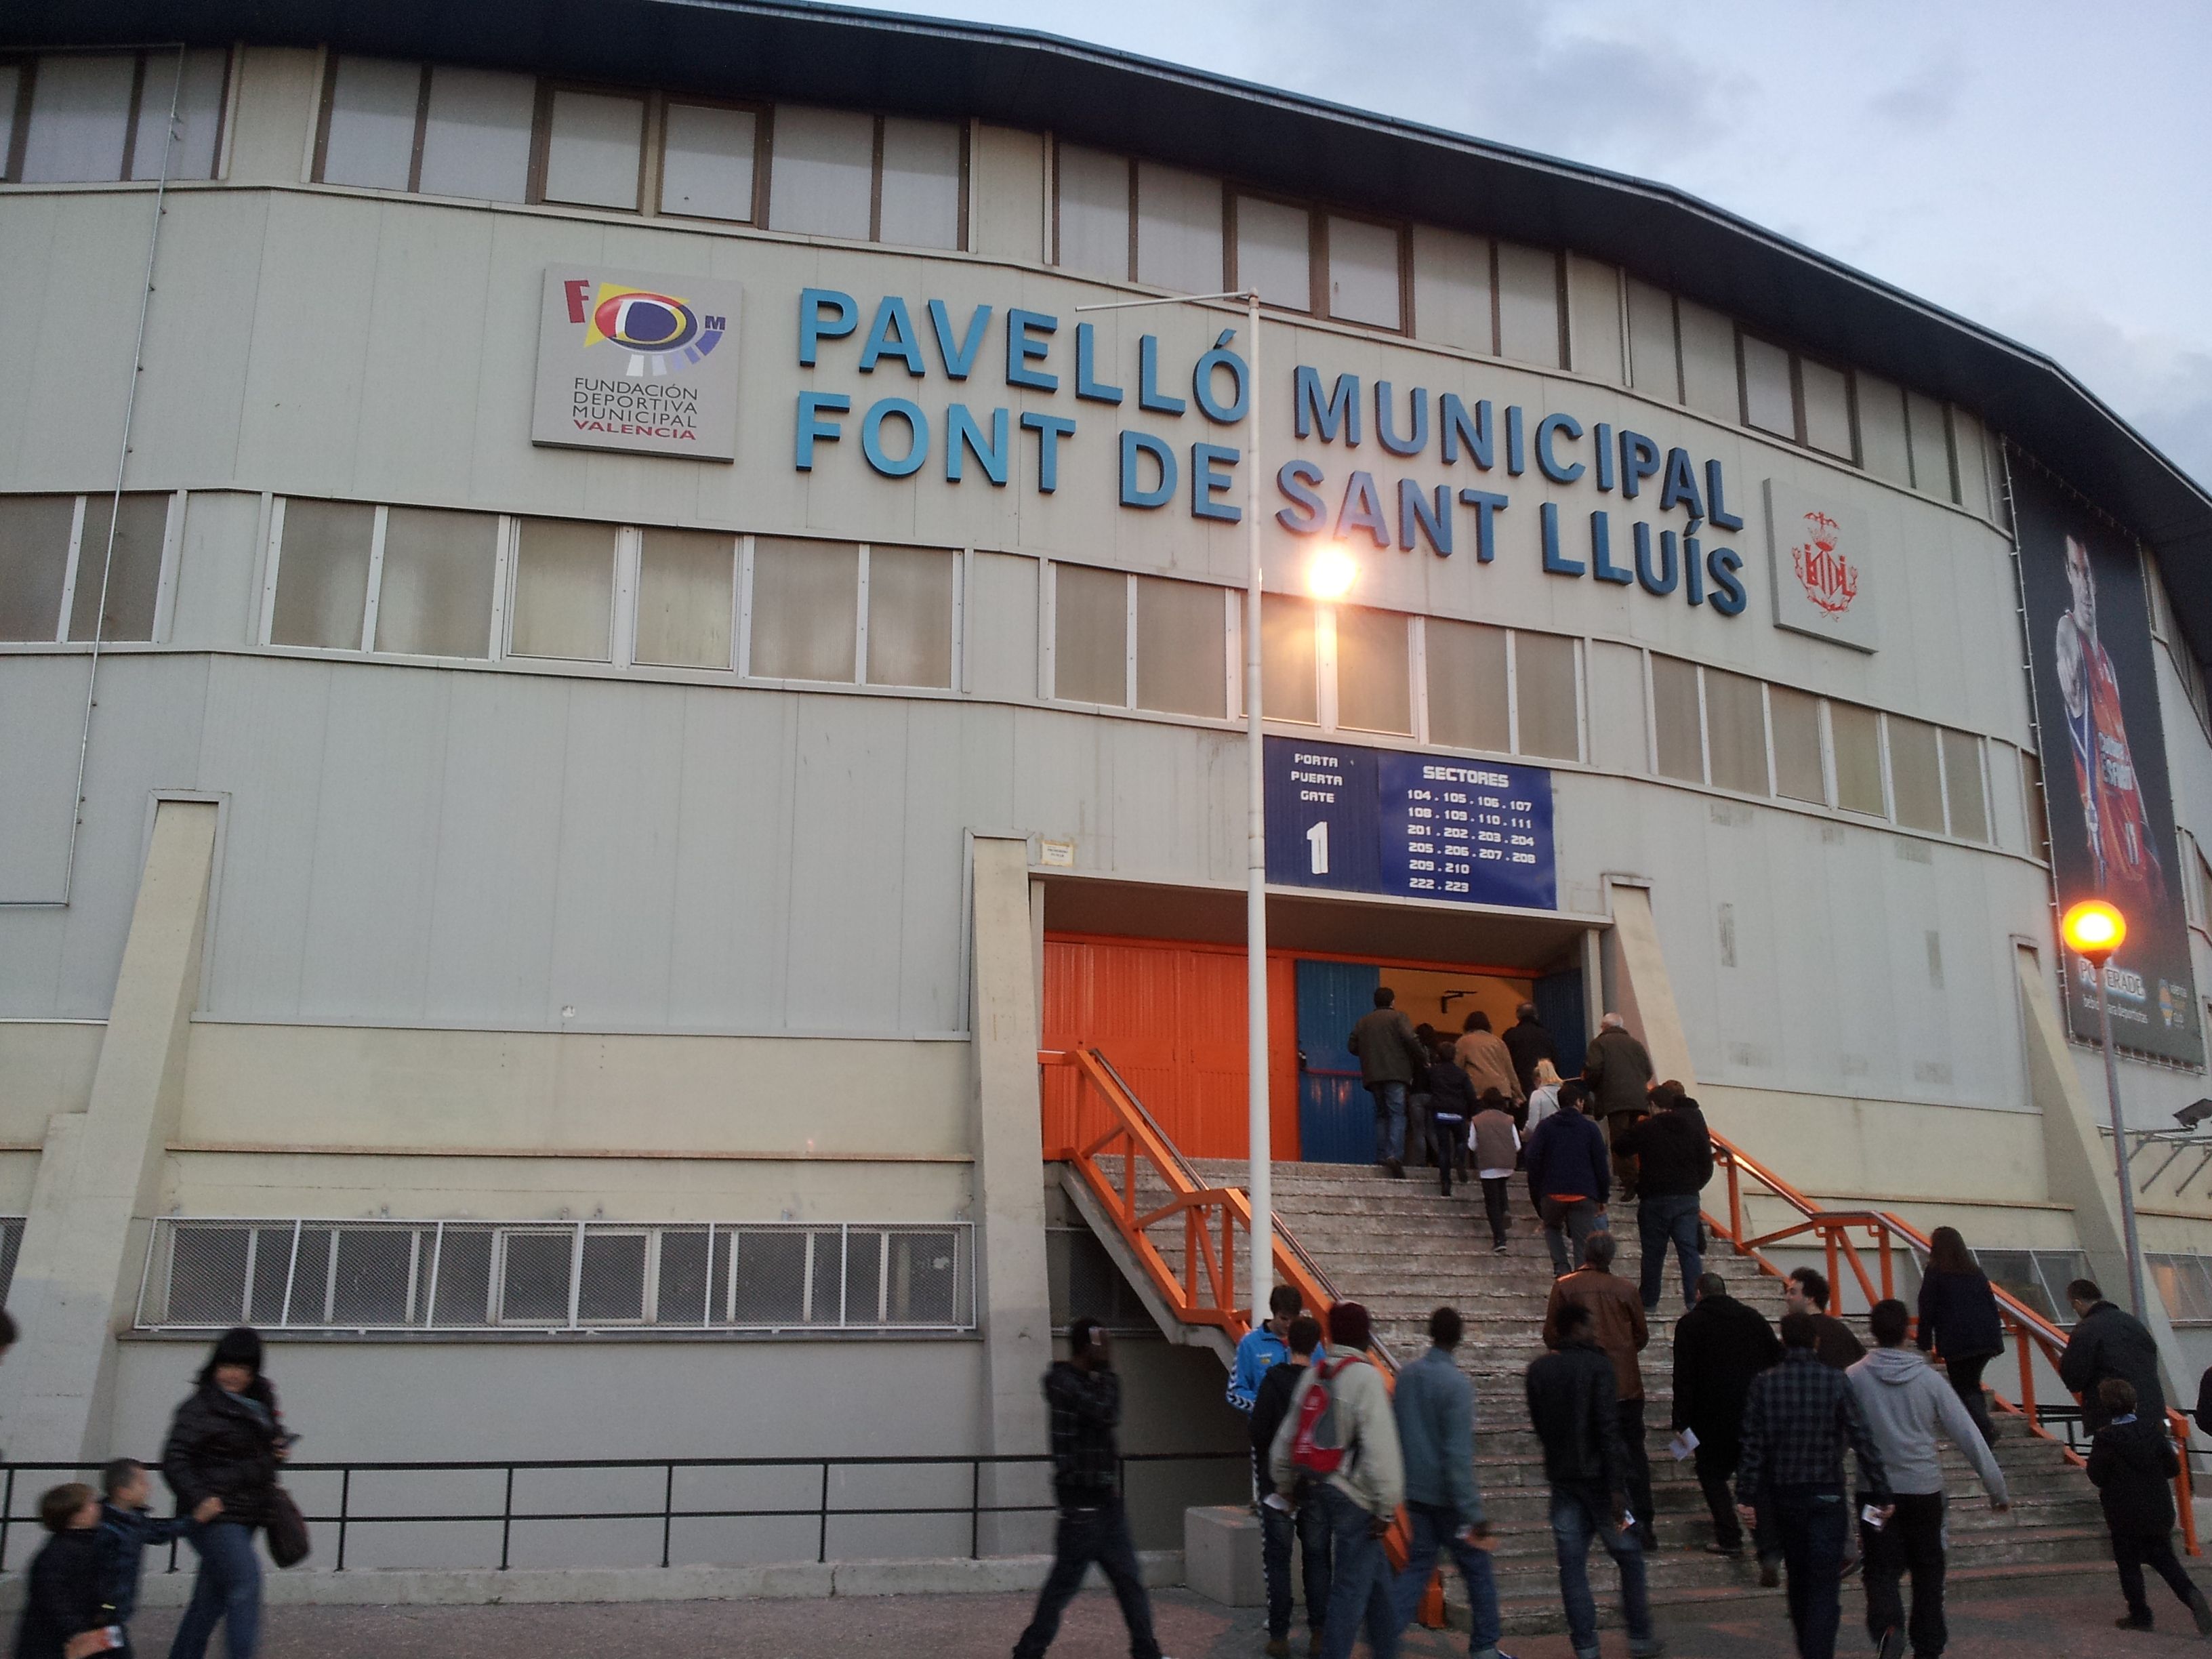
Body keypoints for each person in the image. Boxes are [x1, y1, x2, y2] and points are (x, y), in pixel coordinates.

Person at [1847, 1299, 2010, 1659]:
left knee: (1879, 1567)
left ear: (1873, 1331)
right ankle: (1929, 1644)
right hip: (1923, 1492)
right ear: (1907, 1332)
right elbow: (1967, 1433)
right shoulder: (1928, 1380)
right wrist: (1996, 1489)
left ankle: (1889, 1628)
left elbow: (1838, 1434)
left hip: (1874, 1495)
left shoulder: (1853, 1377)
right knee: (1928, 1570)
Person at [1737, 1312, 1893, 1659]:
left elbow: (1753, 1446)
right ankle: (1818, 1651)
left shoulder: (1764, 1383)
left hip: (1785, 1493)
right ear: (1816, 1342)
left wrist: (1746, 1494)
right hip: (1826, 1491)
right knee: (1825, 1583)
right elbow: (1862, 1438)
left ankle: (1807, 1645)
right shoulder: (1836, 1381)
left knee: (1798, 1576)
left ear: (1783, 1340)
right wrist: (1882, 1491)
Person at [1013, 1318, 1164, 1659]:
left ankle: (1147, 1651)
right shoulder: (1065, 1385)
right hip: (1081, 1510)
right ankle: (1028, 1651)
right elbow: (1107, 1411)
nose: (1108, 1349)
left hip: (1105, 1504)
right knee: (1062, 1588)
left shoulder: (1084, 1383)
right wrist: (1107, 1367)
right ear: (1088, 1346)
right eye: (1102, 1343)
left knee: (1128, 1582)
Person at [1524, 1300, 1666, 1659]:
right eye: (1589, 1325)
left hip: (1564, 1481)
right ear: (1577, 1327)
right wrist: (1618, 1487)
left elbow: (1541, 1425)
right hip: (1605, 1487)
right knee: (1629, 1554)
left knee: (1572, 1567)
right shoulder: (1599, 1366)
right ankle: (1639, 1637)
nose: (1594, 1332)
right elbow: (1607, 1428)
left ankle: (1586, 1647)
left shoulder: (1539, 1371)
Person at [1270, 1302, 1404, 1659]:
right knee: (1349, 1591)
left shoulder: (1316, 1374)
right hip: (1355, 1496)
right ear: (1366, 1336)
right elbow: (1381, 1448)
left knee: (1378, 1586)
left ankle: (1388, 1650)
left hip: (1317, 1485)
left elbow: (1288, 1435)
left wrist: (1284, 1484)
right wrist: (1387, 1506)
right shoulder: (1366, 1378)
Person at [1390, 1308, 1511, 1659]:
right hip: (1449, 1500)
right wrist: (1473, 1512)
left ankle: (1386, 1633)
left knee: (1417, 1568)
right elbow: (1457, 1455)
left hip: (1416, 1492)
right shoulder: (1457, 1385)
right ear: (1459, 1337)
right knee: (1477, 1570)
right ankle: (1485, 1644)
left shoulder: (1407, 1377)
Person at [162, 1325, 289, 1659]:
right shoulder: (199, 1407)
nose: (233, 1375)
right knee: (246, 1582)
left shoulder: (261, 1401)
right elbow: (174, 1460)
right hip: (214, 1515)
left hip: (247, 1513)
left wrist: (278, 1447)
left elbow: (264, 1442)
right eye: (227, 1366)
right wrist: (201, 1499)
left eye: (242, 1368)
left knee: (210, 1600)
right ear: (215, 1365)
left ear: (254, 1370)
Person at [1544, 1232, 1654, 1549]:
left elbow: (1551, 1334)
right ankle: (1643, 1524)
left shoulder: (1565, 1286)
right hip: (1626, 1386)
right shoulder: (1626, 1289)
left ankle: (1596, 1525)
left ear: (1585, 1253)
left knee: (1590, 1454)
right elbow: (1641, 1335)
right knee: (1634, 1457)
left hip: (1582, 1389)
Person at [1671, 1271, 1782, 1565]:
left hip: (1710, 1416)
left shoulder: (1690, 1324)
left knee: (1711, 1474)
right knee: (1753, 1478)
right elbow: (1777, 1357)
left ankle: (1730, 1536)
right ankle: (1766, 1546)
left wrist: (1680, 1421)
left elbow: (1683, 1377)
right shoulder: (1753, 1318)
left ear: (1698, 1294)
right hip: (1753, 1412)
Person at [2089, 1377, 2212, 1635]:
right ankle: (2192, 1595)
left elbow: (2097, 1475)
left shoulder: (2105, 1439)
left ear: (2106, 1407)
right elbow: (2173, 1468)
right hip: (2158, 1510)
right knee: (2167, 1561)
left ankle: (2140, 1614)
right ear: (2134, 1404)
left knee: (2129, 1565)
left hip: (2124, 1513)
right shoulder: (2152, 1432)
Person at [1252, 1316, 1330, 1658]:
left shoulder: (1273, 1380)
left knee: (1278, 1559)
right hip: (1314, 1482)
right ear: (1317, 1345)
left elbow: (1258, 1431)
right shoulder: (1323, 1385)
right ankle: (1319, 1633)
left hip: (1277, 1484)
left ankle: (1279, 1635)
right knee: (1317, 1557)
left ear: (1288, 1342)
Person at [96, 1458, 218, 1656]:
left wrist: (195, 1520)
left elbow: (159, 1533)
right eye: (142, 1483)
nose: (149, 1488)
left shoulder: (133, 1519)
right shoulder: (107, 1529)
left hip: (114, 1612)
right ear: (123, 1492)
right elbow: (98, 1575)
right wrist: (105, 1608)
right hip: (105, 1613)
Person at [1611, 1088, 1712, 1314]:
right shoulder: (1691, 1128)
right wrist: (1693, 1186)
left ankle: (1648, 1302)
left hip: (1655, 1198)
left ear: (1654, 1106)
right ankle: (1695, 1302)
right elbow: (1706, 1163)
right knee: (1689, 1251)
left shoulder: (1647, 1128)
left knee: (1653, 1253)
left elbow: (1620, 1147)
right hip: (1687, 1197)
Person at [1913, 1227, 2004, 1448]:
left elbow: (1927, 1307)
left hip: (1958, 1340)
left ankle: (1985, 1428)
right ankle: (1982, 1429)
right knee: (1971, 1384)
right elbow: (1990, 1305)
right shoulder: (1974, 1271)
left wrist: (1924, 1340)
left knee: (1964, 1386)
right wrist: (1996, 1340)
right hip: (1985, 1339)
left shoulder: (1936, 1272)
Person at [2061, 1279, 2167, 1433]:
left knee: (2113, 1447)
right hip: (2151, 1411)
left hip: (2111, 1416)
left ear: (2077, 1303)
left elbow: (2073, 1377)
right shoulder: (2133, 1323)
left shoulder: (2086, 1329)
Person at [1525, 1082, 1609, 1279]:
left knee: (1552, 1227)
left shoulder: (1545, 1127)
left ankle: (1561, 1267)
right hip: (1583, 1194)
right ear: (1579, 1102)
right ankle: (1580, 1277)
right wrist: (1602, 1197)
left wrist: (1538, 1195)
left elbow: (1531, 1158)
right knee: (1582, 1242)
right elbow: (1601, 1165)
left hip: (1552, 1193)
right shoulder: (1590, 1128)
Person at [1349, 988, 1427, 1179]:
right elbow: (1410, 1038)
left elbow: (1352, 1046)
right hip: (1396, 1073)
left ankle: (1382, 1156)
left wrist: (1369, 1053)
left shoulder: (1363, 1022)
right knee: (1397, 1114)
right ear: (1392, 1001)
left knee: (1382, 1115)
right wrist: (1422, 1057)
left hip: (1373, 1075)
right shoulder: (1399, 1018)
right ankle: (1394, 1155)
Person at [1582, 1014, 1654, 1200]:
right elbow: (1648, 1072)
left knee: (1620, 1141)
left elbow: (1594, 1069)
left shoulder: (1599, 1044)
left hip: (1615, 1101)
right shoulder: (1636, 1044)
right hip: (1639, 1100)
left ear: (1604, 1026)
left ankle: (1630, 1182)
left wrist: (1589, 1085)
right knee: (1635, 1140)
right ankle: (1636, 1177)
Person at [1229, 1286, 1301, 1415]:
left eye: (1294, 1319)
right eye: (1284, 1319)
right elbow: (1234, 1393)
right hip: (1266, 1424)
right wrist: (1267, 1406)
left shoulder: (1308, 1341)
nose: (1289, 1324)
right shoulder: (1249, 1343)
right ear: (1274, 1313)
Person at [1424, 1039, 1478, 1195]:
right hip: (1458, 1112)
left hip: (1440, 1112)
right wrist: (1471, 1113)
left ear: (1438, 1055)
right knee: (1461, 1140)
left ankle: (1446, 1183)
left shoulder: (1433, 1072)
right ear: (1454, 1055)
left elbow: (1427, 1088)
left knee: (1443, 1149)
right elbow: (1471, 1095)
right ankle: (1459, 1159)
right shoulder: (1462, 1074)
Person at [1784, 1269, 1865, 1372]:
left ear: (1810, 1298)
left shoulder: (1796, 1331)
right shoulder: (1841, 1330)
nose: (1787, 1297)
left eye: (1793, 1292)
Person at [1469, 1092, 1519, 1254]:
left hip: (1488, 1165)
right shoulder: (1509, 1119)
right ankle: (1505, 1209)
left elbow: (1472, 1145)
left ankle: (1500, 1239)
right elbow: (1518, 1145)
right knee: (1501, 1185)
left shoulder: (1477, 1120)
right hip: (1507, 1163)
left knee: (1492, 1203)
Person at [1453, 1012, 1524, 1123]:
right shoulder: (1499, 1042)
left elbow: (1456, 1069)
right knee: (1500, 1126)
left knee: (1480, 1126)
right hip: (1502, 1092)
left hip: (1479, 1093)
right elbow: (1510, 1072)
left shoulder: (1464, 1041)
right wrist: (1519, 1095)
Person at [1502, 1002, 1559, 1101]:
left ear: (1518, 1016)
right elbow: (1555, 1060)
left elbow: (1505, 1063)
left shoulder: (1510, 1036)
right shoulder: (1546, 1034)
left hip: (1520, 1086)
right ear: (1536, 1015)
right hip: (1543, 1083)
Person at [1524, 1060, 1564, 1136]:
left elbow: (1532, 1126)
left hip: (1545, 1138)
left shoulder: (1537, 1095)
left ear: (1538, 1079)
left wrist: (1524, 1135)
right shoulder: (1564, 1092)